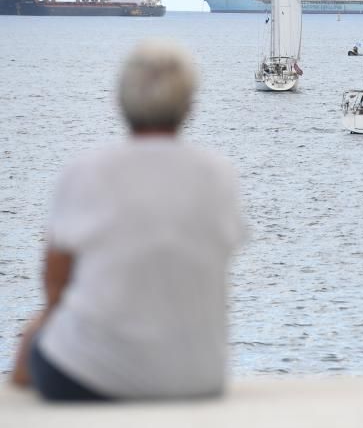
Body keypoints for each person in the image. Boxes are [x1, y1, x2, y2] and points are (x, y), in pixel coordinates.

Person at [11, 41, 247, 401]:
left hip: (89, 375)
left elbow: (55, 283)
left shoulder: (86, 172)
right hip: (198, 377)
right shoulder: (219, 175)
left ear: (120, 100)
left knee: (34, 340)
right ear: (188, 105)